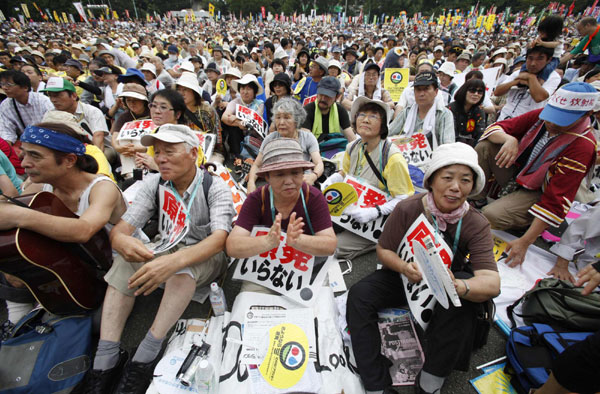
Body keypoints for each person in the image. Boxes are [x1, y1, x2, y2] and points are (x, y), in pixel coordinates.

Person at [84, 124, 234, 393]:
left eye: (170, 151)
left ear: (193, 153)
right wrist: (122, 241)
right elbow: (122, 229)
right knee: (124, 261)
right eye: (158, 151)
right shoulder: (153, 183)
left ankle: (147, 351)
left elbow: (219, 239)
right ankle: (105, 357)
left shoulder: (215, 187)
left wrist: (174, 261)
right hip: (164, 247)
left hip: (204, 257)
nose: (161, 158)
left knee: (182, 271)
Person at [346, 142, 500, 394]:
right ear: (431, 181)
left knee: (465, 300)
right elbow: (384, 250)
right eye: (447, 178)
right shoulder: (408, 207)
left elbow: (492, 282)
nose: (455, 187)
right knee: (360, 295)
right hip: (406, 277)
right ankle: (375, 383)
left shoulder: (476, 222)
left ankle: (432, 378)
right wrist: (405, 267)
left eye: (465, 180)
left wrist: (459, 287)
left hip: (446, 287)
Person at [0, 120, 126, 326]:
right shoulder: (39, 189)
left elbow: (83, 230)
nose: (24, 164)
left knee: (93, 323)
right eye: (24, 153)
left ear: (69, 160)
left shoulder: (102, 188)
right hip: (71, 265)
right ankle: (16, 325)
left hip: (110, 267)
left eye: (35, 156)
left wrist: (17, 215)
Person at [473, 82, 598, 267]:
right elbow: (495, 129)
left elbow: (555, 201)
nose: (551, 124)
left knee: (491, 215)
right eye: (551, 116)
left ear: (586, 115)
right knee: (486, 147)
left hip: (538, 192)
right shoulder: (542, 118)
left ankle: (524, 220)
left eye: (560, 120)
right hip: (519, 174)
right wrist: (510, 139)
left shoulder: (583, 145)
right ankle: (476, 199)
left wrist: (524, 242)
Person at [225, 137, 337, 292]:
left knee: (319, 309)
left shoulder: (314, 197)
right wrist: (268, 241)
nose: (289, 181)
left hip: (305, 262)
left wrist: (298, 240)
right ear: (267, 177)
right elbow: (232, 246)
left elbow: (330, 245)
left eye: (295, 172)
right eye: (279, 174)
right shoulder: (257, 199)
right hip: (266, 264)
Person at [322, 97, 415, 259]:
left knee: (331, 249)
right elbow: (344, 172)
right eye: (361, 114)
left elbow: (404, 199)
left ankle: (378, 241)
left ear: (383, 125)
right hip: (352, 208)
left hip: (376, 220)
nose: (365, 119)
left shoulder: (392, 157)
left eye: (373, 116)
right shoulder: (353, 147)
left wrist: (375, 211)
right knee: (315, 231)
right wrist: (333, 180)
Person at [247, 98, 323, 193]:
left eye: (286, 117)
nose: (281, 122)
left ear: (296, 121)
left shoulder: (307, 137)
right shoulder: (270, 139)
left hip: (302, 180)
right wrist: (251, 183)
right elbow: (257, 165)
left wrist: (313, 176)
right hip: (279, 182)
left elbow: (319, 163)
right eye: (278, 117)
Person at [42, 77, 116, 164]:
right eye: (50, 95)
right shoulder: (50, 115)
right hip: (70, 152)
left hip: (99, 149)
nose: (53, 100)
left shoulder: (91, 111)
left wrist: (94, 160)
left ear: (73, 95)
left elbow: (98, 136)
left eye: (58, 95)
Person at [389, 71, 455, 148]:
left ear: (436, 92)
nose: (422, 94)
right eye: (418, 89)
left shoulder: (444, 114)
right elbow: (388, 134)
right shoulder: (407, 112)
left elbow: (447, 145)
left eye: (426, 89)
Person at [494, 45, 561, 121]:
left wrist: (531, 78)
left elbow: (539, 97)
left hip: (527, 124)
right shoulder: (518, 73)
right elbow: (497, 92)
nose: (533, 63)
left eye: (539, 59)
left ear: (549, 60)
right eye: (530, 58)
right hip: (503, 119)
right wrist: (516, 82)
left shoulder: (553, 77)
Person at [175, 72, 223, 161]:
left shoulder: (207, 110)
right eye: (179, 90)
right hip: (182, 152)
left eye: (185, 89)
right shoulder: (175, 111)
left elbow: (216, 138)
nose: (181, 93)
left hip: (208, 152)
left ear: (194, 92)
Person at [110, 83, 151, 180]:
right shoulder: (124, 117)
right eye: (129, 100)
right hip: (130, 153)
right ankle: (130, 175)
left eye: (136, 100)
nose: (132, 103)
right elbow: (115, 136)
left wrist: (139, 148)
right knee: (123, 140)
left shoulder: (153, 112)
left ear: (143, 100)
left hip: (150, 147)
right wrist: (118, 147)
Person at [0, 70, 53, 145]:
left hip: (46, 141)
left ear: (25, 87)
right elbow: (6, 131)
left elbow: (52, 126)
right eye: (2, 84)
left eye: (9, 84)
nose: (4, 88)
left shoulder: (43, 101)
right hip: (25, 143)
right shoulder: (6, 105)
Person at [221, 74, 265, 161]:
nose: (245, 92)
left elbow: (255, 121)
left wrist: (236, 118)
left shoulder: (259, 104)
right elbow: (224, 117)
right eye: (243, 88)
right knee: (234, 128)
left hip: (253, 136)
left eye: (248, 89)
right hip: (239, 135)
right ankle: (238, 157)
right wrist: (238, 123)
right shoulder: (235, 102)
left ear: (254, 91)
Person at [301, 77, 356, 143]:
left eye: (328, 96)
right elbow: (305, 139)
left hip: (334, 148)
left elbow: (351, 138)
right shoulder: (307, 111)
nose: (323, 99)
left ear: (337, 97)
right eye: (321, 94)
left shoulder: (340, 111)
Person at [522, 16, 564, 82]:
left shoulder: (559, 38)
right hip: (542, 56)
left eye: (543, 33)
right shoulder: (541, 37)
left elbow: (554, 44)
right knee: (525, 65)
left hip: (554, 58)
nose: (541, 34)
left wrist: (543, 43)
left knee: (547, 69)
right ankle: (521, 76)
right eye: (540, 32)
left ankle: (540, 81)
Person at [448, 79, 486, 147]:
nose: (476, 94)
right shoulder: (450, 109)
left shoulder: (479, 112)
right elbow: (451, 135)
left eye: (480, 92)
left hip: (471, 149)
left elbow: (480, 134)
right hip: (451, 146)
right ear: (464, 91)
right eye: (472, 90)